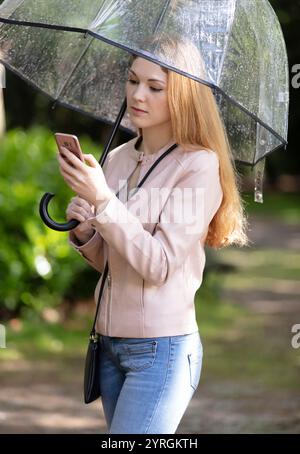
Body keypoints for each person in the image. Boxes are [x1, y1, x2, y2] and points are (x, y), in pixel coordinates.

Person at [57, 36, 250, 434]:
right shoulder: (116, 158)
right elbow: (115, 263)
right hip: (108, 345)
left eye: (154, 87)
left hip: (161, 351)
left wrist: (104, 201)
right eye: (132, 81)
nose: (137, 94)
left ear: (182, 95)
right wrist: (85, 232)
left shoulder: (197, 166)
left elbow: (158, 265)